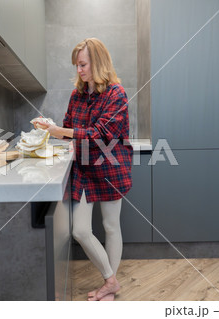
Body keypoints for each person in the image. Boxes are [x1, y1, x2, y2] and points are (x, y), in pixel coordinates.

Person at [33, 38, 133, 301]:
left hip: (110, 168)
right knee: (80, 230)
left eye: (83, 64)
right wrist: (50, 127)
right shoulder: (77, 95)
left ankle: (108, 285)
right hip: (84, 170)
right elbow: (70, 131)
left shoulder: (116, 94)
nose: (78, 70)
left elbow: (100, 134)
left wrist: (61, 131)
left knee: (111, 226)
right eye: (77, 65)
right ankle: (111, 282)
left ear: (98, 62)